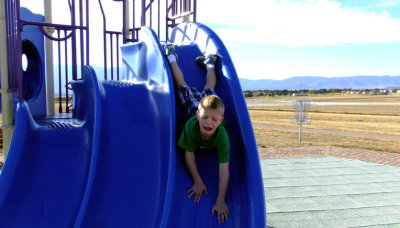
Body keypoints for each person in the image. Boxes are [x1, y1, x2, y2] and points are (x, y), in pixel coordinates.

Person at [164, 43, 230, 223]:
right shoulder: (192, 127)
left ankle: (210, 64)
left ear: (221, 121)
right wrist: (198, 181)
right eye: (205, 118)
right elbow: (189, 155)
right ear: (198, 116)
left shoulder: (222, 136)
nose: (209, 122)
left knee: (210, 88)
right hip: (193, 104)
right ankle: (171, 58)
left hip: (207, 106)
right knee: (182, 86)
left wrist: (221, 199)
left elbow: (224, 170)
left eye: (214, 120)